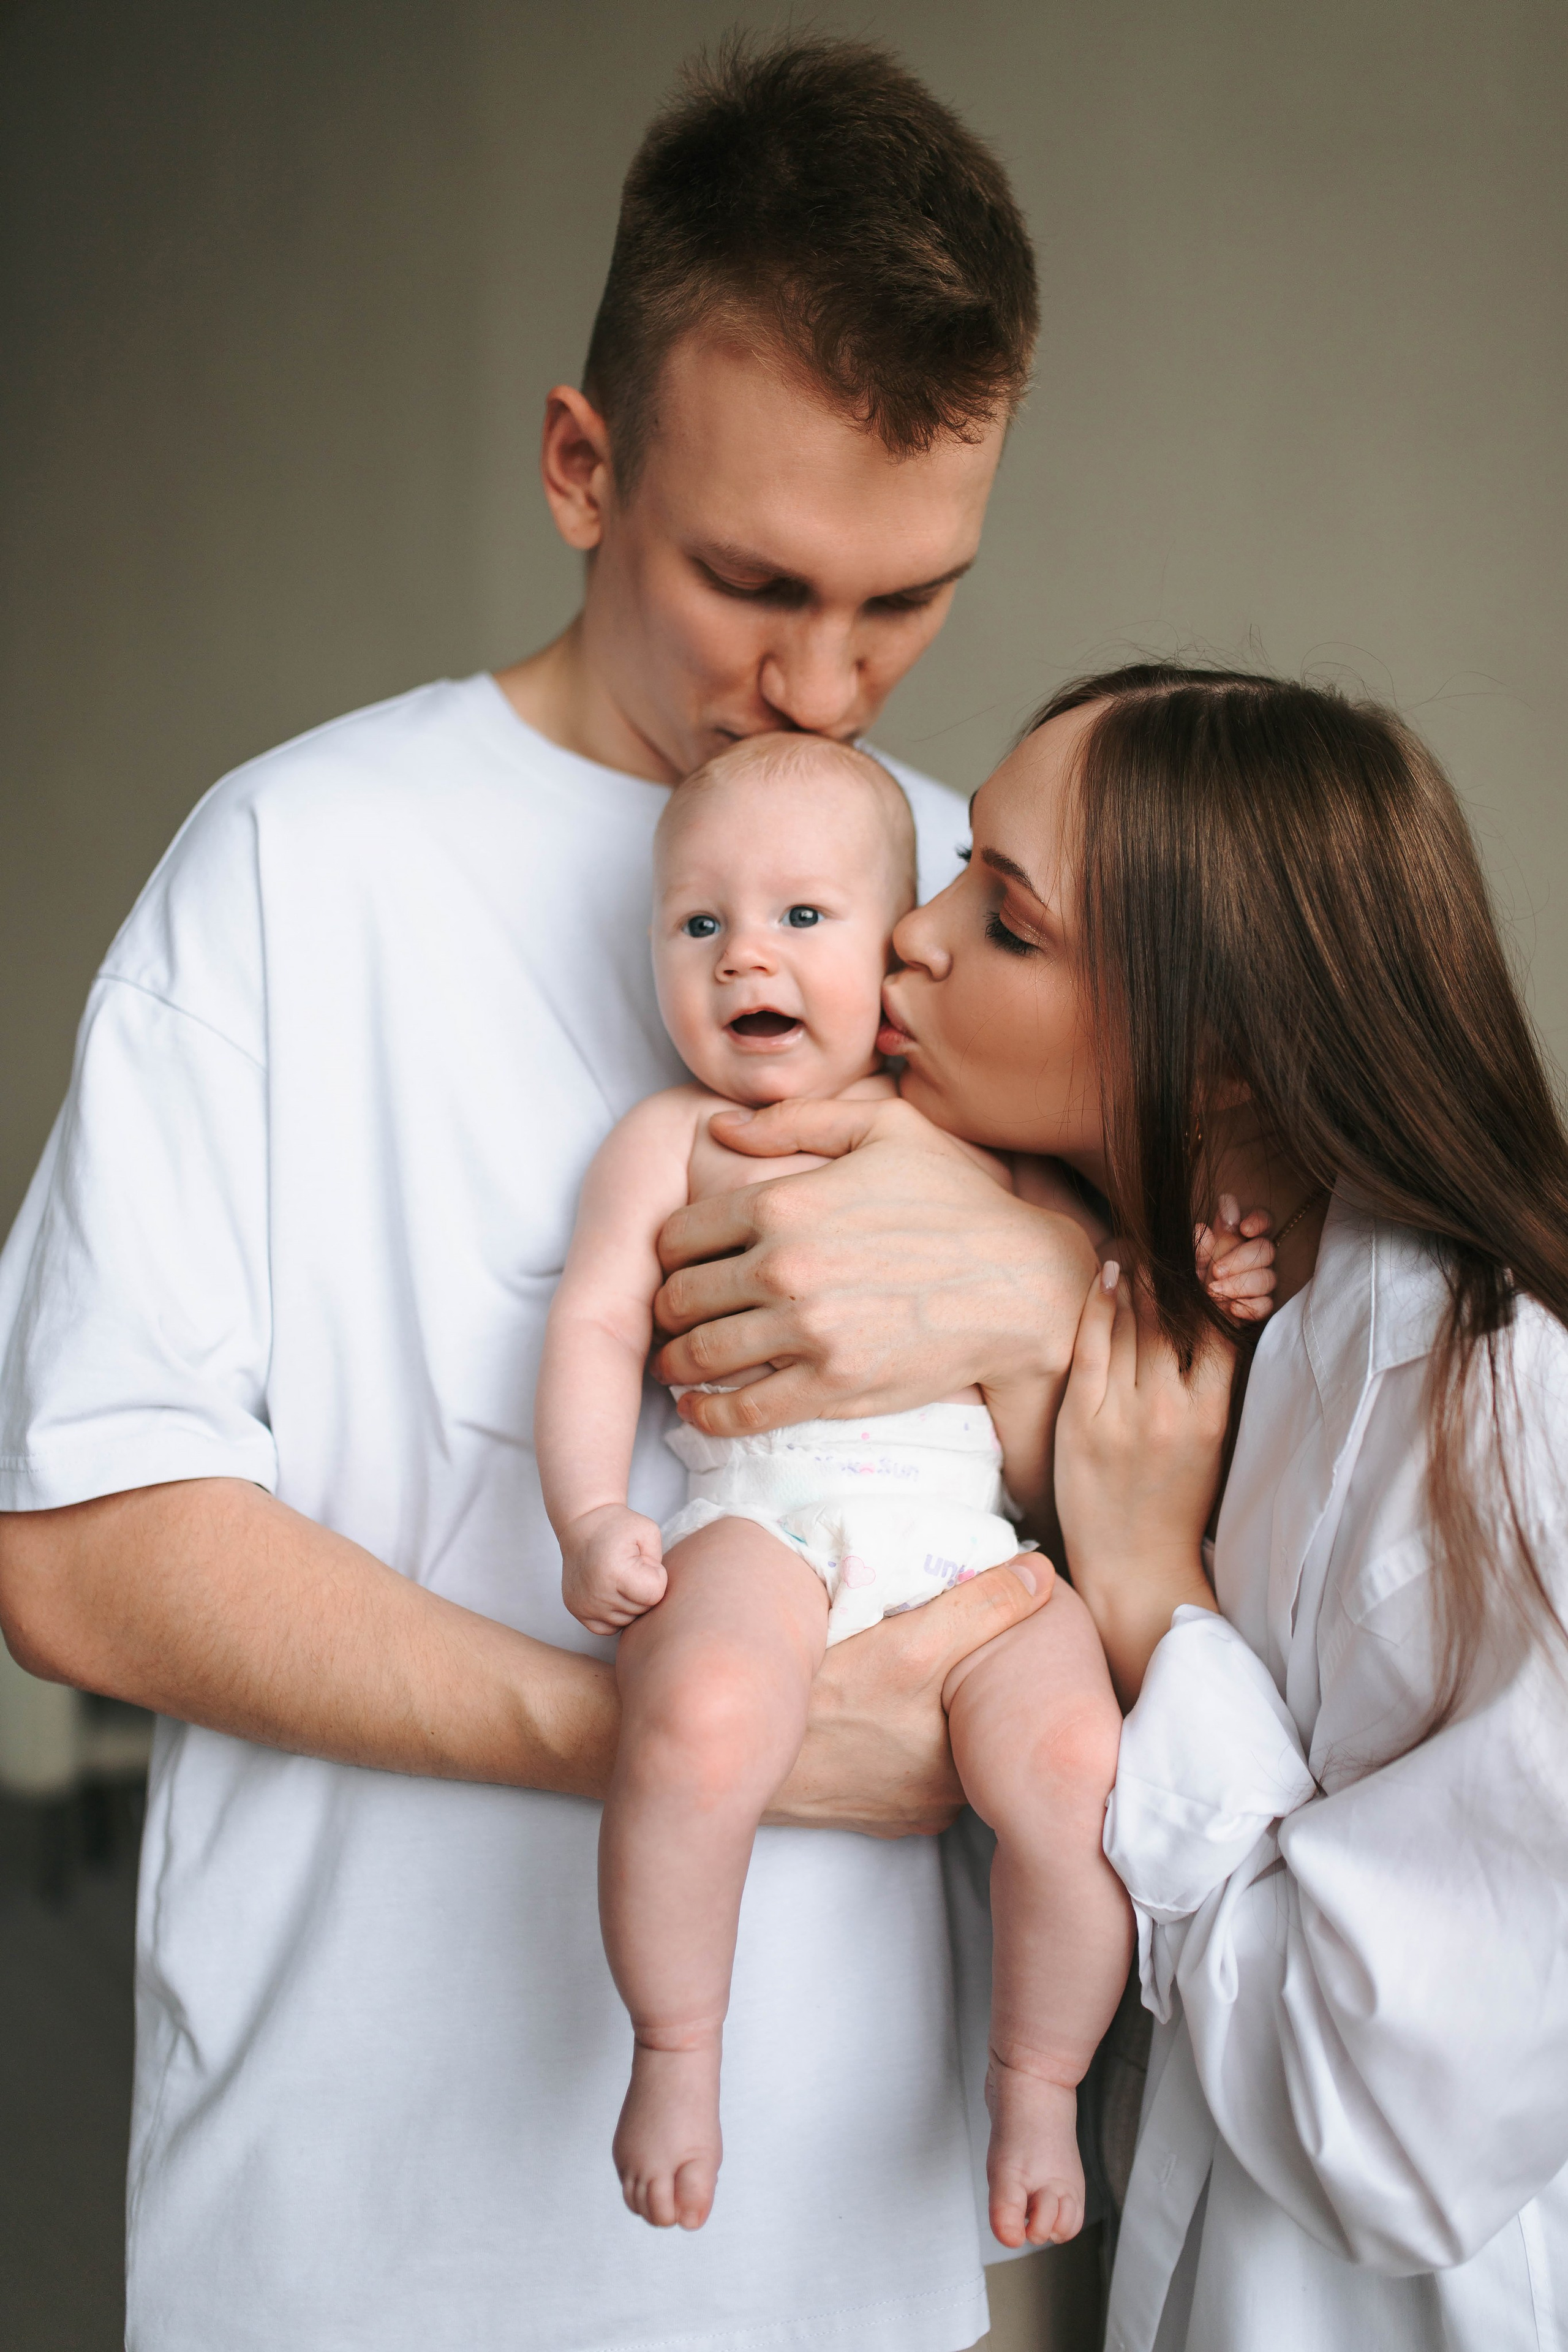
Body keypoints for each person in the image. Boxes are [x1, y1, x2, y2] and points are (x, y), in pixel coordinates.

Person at [0, 36, 1110, 2352]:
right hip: (347, 2246)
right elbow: (77, 1551)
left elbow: (1185, 1462)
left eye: (909, 600)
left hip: (850, 2264)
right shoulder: (299, 867)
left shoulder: (972, 901)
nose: (824, 679)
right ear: (582, 467)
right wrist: (682, 1738)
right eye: (756, 580)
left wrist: (1043, 1288)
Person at [725, 665, 1568, 2352]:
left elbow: (1387, 2132)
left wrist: (1143, 1591)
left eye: (1007, 921)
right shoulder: (1179, 1303)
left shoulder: (1490, 1419)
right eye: (954, 871)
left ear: (1231, 1055)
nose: (910, 940)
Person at [541, 733, 1219, 2243]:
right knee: (698, 1714)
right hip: (760, 1520)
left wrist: (1208, 1252)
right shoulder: (673, 1141)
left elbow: (1108, 1293)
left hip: (965, 1547)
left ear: (890, 951)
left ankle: (1036, 2083)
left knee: (1075, 1770)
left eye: (800, 916)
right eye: (696, 922)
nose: (741, 957)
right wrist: (588, 1513)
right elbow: (591, 1324)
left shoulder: (969, 1129)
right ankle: (674, 2050)